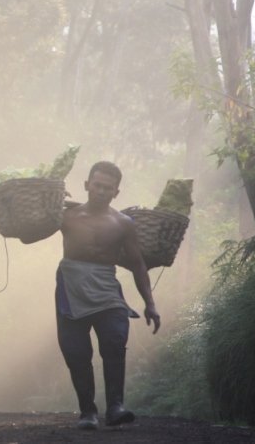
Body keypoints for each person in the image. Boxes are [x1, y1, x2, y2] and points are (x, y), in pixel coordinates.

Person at [56, 161, 161, 430]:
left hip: (106, 288)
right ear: (86, 185)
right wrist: (50, 204)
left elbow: (137, 263)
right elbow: (28, 236)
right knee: (76, 351)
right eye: (97, 185)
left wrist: (150, 303)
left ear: (116, 192)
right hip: (71, 286)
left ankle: (115, 407)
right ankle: (88, 412)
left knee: (115, 341)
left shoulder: (123, 223)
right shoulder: (66, 216)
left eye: (108, 188)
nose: (101, 191)